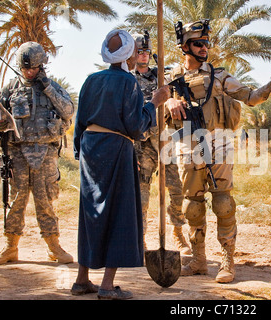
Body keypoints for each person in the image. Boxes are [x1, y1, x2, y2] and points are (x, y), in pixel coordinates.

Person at [165, 19, 271, 283]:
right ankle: (199, 260)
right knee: (192, 206)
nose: (204, 48)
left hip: (219, 144)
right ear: (184, 46)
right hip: (187, 147)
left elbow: (251, 97)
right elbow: (151, 101)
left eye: (206, 43)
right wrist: (168, 100)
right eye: (198, 43)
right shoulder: (170, 77)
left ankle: (227, 260)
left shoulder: (219, 76)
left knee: (223, 203)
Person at [71, 29, 170, 300]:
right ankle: (106, 285)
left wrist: (82, 153)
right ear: (128, 56)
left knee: (90, 212)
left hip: (91, 149)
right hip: (116, 148)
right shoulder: (129, 83)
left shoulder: (91, 80)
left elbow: (79, 123)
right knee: (120, 212)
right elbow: (136, 126)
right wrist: (154, 103)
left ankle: (81, 280)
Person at [0, 41, 74, 265]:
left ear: (42, 66)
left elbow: (68, 111)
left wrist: (47, 87)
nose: (29, 72)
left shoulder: (52, 88)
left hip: (45, 152)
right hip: (17, 152)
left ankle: (54, 246)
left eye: (34, 68)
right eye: (26, 68)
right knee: (16, 200)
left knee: (45, 199)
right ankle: (10, 247)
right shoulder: (9, 89)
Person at [131, 32, 190, 255]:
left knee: (177, 190)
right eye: (139, 52)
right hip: (141, 145)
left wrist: (173, 98)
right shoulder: (127, 79)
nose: (143, 56)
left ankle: (177, 234)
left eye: (146, 52)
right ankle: (140, 239)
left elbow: (181, 97)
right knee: (141, 194)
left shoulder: (163, 77)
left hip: (167, 142)